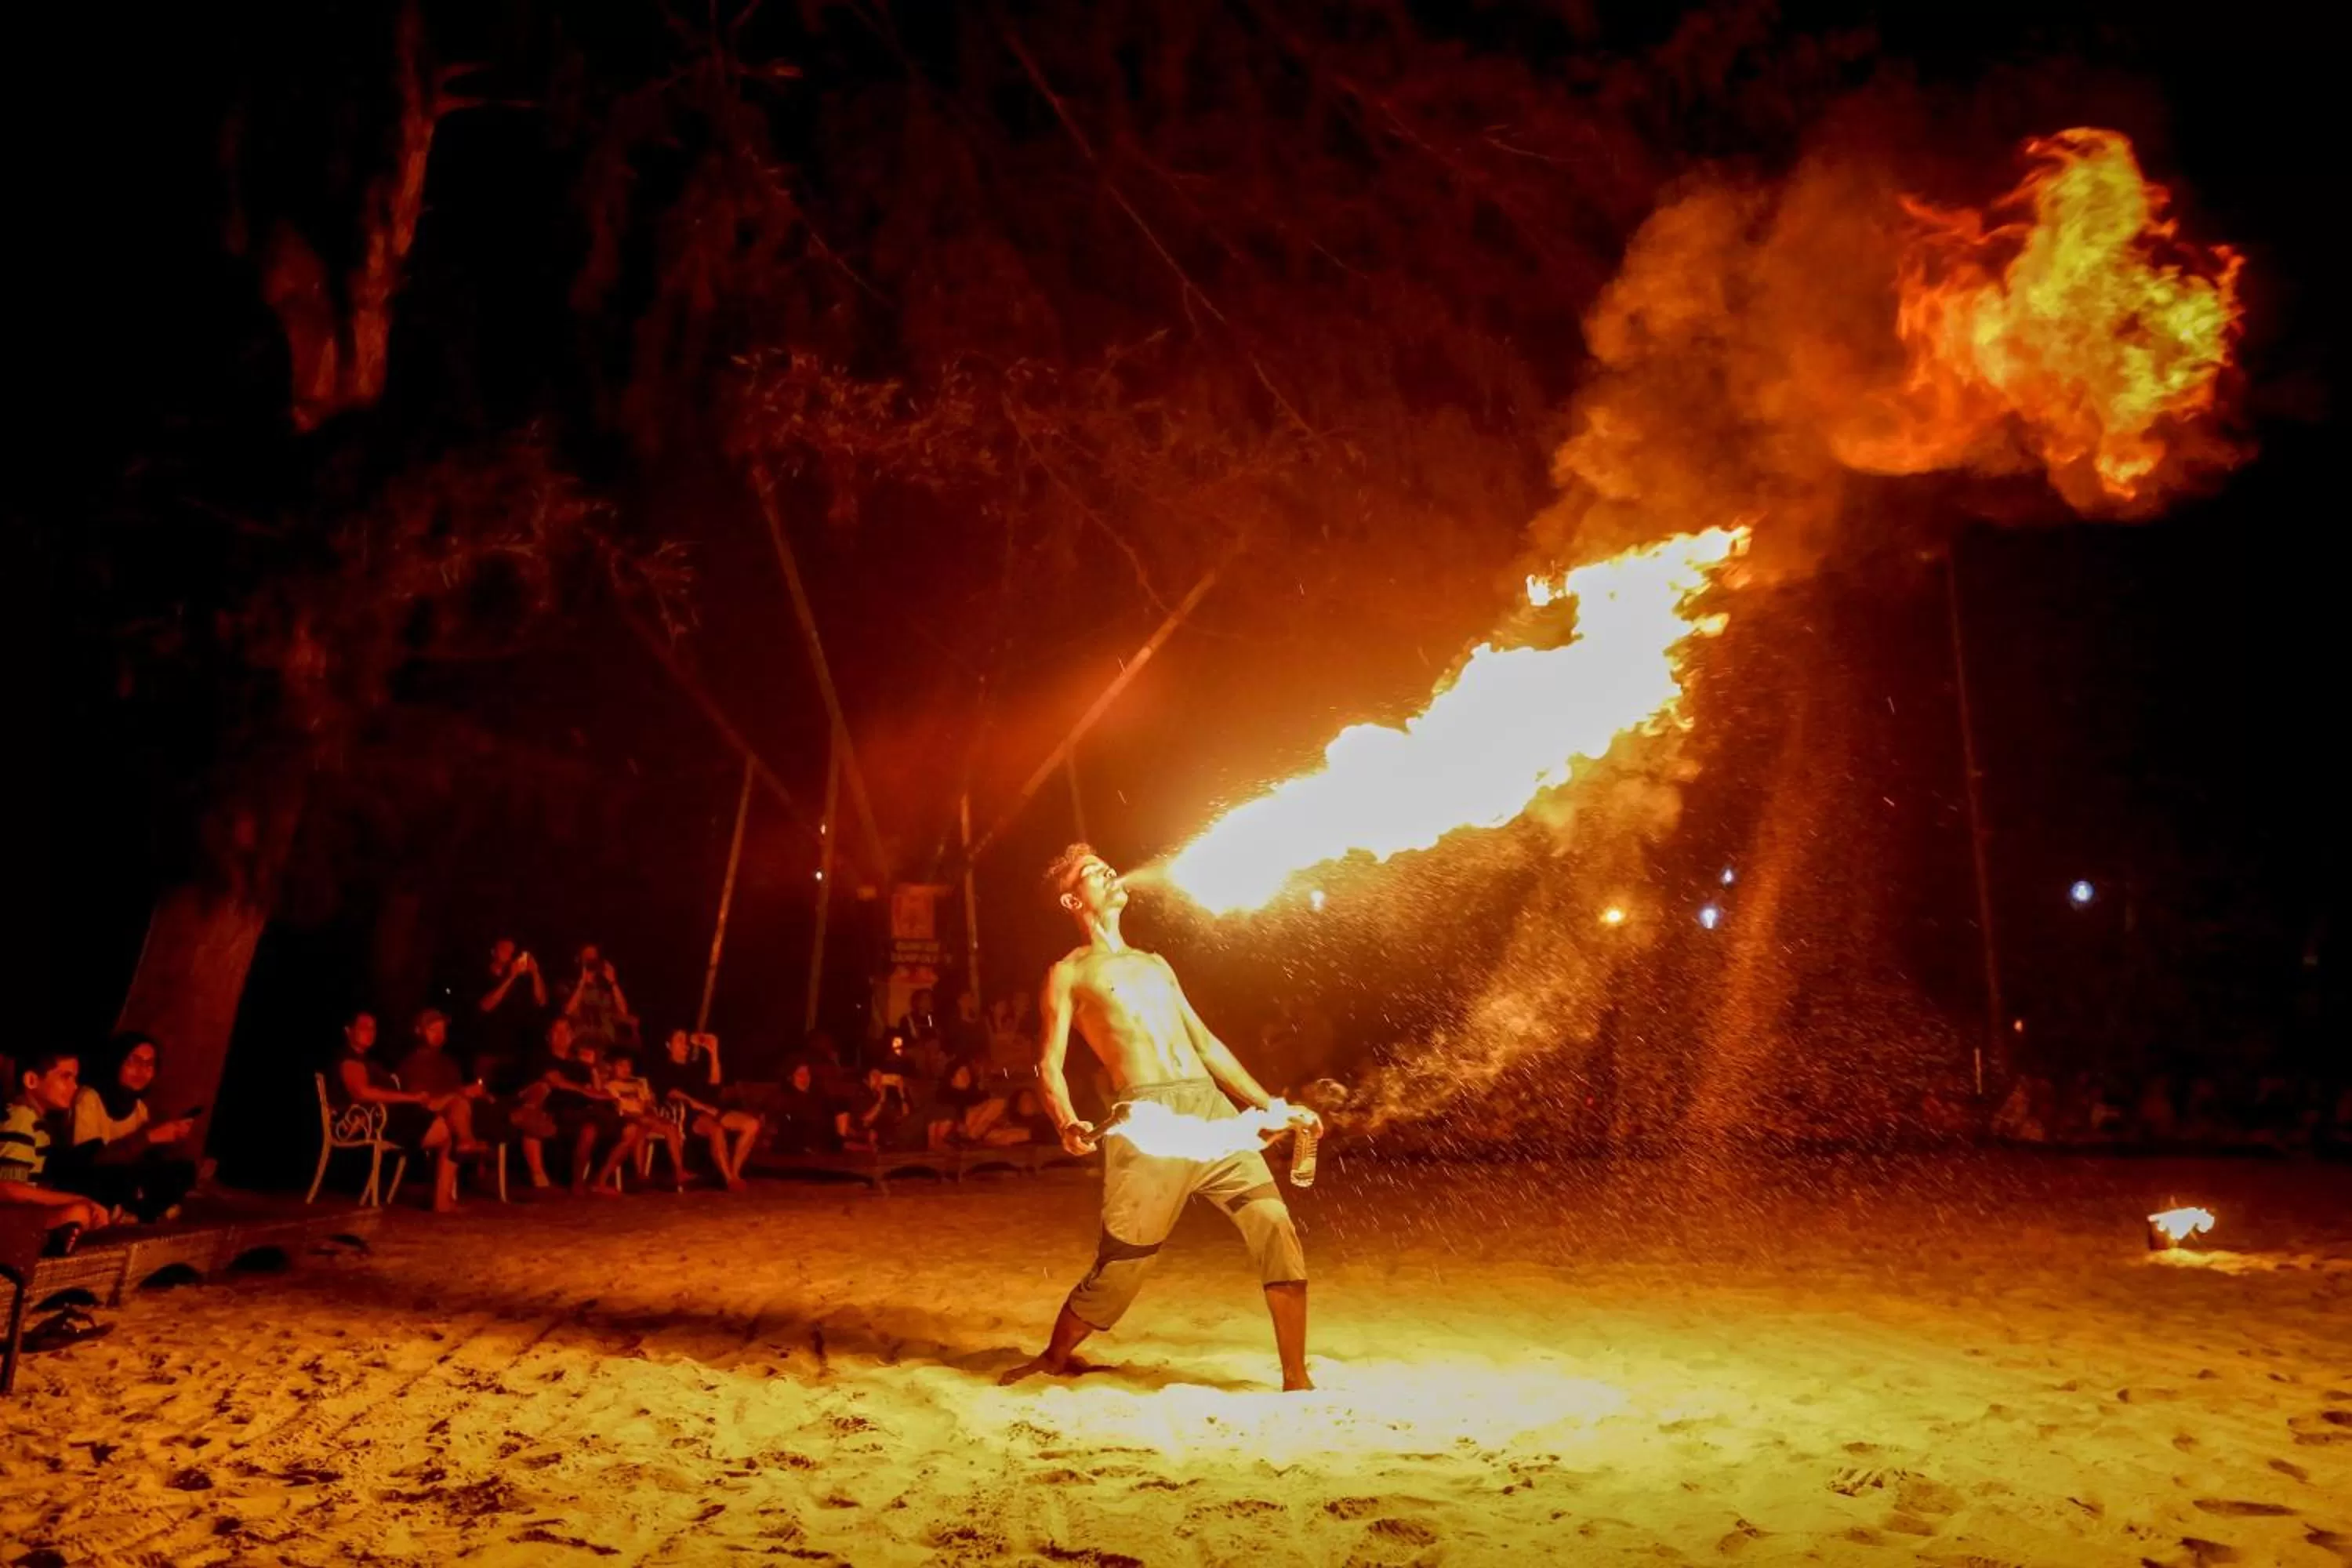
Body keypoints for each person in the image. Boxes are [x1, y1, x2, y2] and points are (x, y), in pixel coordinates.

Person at [1002, 845, 1319, 1392]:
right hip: (1150, 1123)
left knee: (1274, 1224)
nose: (1108, 871)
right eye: (1092, 872)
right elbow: (1047, 1063)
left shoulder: (1155, 964)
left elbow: (1207, 1045)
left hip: (1210, 1110)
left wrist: (1267, 1105)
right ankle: (1056, 1356)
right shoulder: (1068, 973)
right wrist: (1065, 1120)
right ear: (1071, 898)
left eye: (1107, 864)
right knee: (1124, 1264)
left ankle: (1297, 1377)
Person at [333, 1011, 485, 1212]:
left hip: (396, 1117)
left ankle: (443, 1199)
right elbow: (362, 1092)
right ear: (348, 1031)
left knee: (450, 1126)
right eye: (364, 1027)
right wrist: (411, 1098)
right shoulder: (350, 1059)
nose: (370, 1032)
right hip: (376, 1122)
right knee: (453, 1113)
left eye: (373, 1028)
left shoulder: (371, 1062)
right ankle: (466, 1141)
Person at [51, 1033, 200, 1222]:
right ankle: (140, 1211)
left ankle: (138, 1210)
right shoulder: (88, 1099)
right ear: (116, 1062)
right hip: (89, 1177)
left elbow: (141, 1159)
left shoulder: (139, 1108)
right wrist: (150, 1137)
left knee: (183, 1170)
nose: (141, 1070)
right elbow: (91, 1161)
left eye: (149, 1064)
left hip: (125, 1179)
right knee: (112, 1178)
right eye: (133, 1061)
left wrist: (172, 1136)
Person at [401, 1009, 552, 1188]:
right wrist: (463, 1092)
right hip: (441, 1114)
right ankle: (518, 1117)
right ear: (418, 1031)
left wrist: (476, 1092)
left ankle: (521, 1114)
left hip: (467, 1108)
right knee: (491, 1114)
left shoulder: (447, 1062)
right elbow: (423, 1098)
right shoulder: (415, 1061)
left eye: (442, 1030)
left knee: (500, 1101)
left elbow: (456, 1089)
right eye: (433, 1029)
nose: (439, 1035)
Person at [2, 1048, 114, 1243]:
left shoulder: (40, 1124)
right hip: (9, 1216)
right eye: (65, 1077)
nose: (74, 1087)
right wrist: (76, 1200)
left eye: (75, 1079)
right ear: (31, 1080)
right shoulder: (21, 1118)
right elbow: (8, 1189)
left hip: (20, 1213)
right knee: (78, 1211)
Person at [646, 1030, 760, 1190]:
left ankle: (735, 1173)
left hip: (712, 1109)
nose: (685, 1044)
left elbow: (715, 1083)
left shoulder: (695, 1066)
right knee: (716, 1129)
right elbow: (672, 1092)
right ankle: (729, 1178)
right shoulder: (664, 1069)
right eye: (679, 1040)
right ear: (668, 1045)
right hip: (690, 1115)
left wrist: (713, 1052)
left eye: (686, 1040)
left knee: (752, 1124)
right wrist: (697, 1104)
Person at [593, 1051, 684, 1190]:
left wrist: (650, 1109)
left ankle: (679, 1171)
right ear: (612, 1067)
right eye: (621, 1065)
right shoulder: (611, 1086)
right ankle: (640, 1174)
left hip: (646, 1118)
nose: (626, 1069)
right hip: (627, 1118)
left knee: (670, 1127)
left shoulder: (640, 1083)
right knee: (639, 1126)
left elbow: (648, 1103)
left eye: (629, 1066)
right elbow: (617, 1109)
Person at [475, 938, 549, 1090]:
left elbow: (541, 1001)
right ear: (493, 951)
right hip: (489, 1050)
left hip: (515, 1052)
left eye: (511, 952)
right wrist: (511, 977)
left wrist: (535, 972)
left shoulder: (520, 980)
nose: (509, 955)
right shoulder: (483, 975)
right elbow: (486, 1006)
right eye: (504, 950)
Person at [561, 944, 635, 1058]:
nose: (591, 960)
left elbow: (623, 1011)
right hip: (579, 1047)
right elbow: (568, 1011)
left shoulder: (607, 987)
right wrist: (582, 983)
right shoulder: (571, 985)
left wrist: (613, 982)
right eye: (587, 956)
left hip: (605, 1048)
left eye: (593, 956)